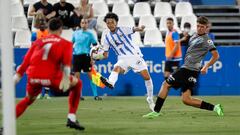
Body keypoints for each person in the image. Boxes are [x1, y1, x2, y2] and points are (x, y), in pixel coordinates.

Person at [143, 16, 224, 119]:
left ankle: (156, 111)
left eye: (202, 27)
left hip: (188, 69)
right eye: (198, 26)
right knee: (186, 100)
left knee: (165, 84)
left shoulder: (207, 40)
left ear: (206, 27)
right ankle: (215, 107)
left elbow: (216, 55)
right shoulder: (194, 35)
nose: (199, 28)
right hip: (190, 70)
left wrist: (206, 66)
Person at [13, 18, 85, 130]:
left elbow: (25, 62)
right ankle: (71, 118)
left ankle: (6, 125)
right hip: (51, 77)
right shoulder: (66, 43)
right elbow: (66, 65)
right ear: (61, 30)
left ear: (48, 29)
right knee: (78, 83)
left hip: (33, 77)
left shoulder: (37, 42)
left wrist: (16, 79)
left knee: (28, 99)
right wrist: (66, 80)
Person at [99, 12, 155, 111]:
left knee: (147, 77)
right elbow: (105, 55)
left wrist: (140, 28)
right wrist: (96, 57)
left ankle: (150, 99)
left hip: (134, 56)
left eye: (112, 22)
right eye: (108, 23)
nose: (110, 24)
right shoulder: (107, 38)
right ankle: (111, 82)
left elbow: (134, 29)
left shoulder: (123, 29)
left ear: (116, 22)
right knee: (116, 67)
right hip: (122, 58)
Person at [72, 18, 102, 100]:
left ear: (87, 24)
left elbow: (95, 46)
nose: (84, 24)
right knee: (77, 77)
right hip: (77, 56)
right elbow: (71, 43)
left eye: (85, 22)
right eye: (82, 22)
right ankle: (79, 96)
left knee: (91, 76)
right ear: (80, 24)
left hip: (86, 56)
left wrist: (93, 58)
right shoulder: (75, 33)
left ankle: (95, 95)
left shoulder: (90, 34)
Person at [31, 13, 51, 99]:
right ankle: (39, 93)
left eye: (43, 23)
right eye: (40, 23)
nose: (42, 24)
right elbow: (32, 46)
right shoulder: (35, 34)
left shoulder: (49, 33)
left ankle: (46, 94)